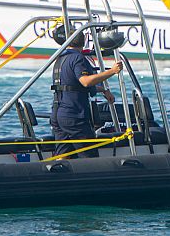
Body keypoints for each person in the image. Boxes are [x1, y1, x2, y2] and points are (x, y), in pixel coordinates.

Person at [50, 25, 123, 158]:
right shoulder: (78, 58)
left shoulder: (60, 59)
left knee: (63, 156)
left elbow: (72, 84)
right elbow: (85, 81)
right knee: (89, 156)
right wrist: (112, 71)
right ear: (83, 42)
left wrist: (103, 90)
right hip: (74, 116)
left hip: (59, 114)